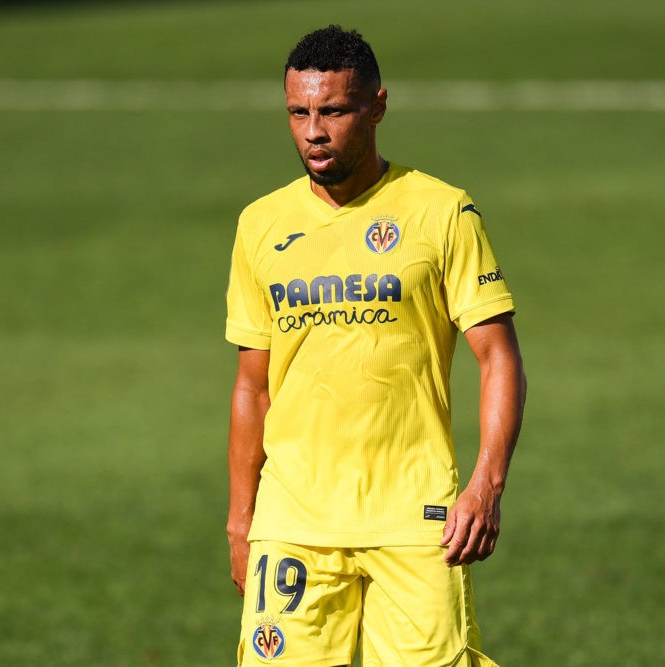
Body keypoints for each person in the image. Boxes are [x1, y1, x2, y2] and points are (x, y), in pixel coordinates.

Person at [225, 25, 526, 667]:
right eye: (298, 112)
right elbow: (253, 384)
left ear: (378, 106)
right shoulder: (260, 225)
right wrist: (240, 517)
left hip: (414, 519)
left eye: (333, 111)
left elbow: (497, 355)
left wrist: (486, 486)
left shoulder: (442, 212)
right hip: (294, 520)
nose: (313, 131)